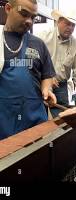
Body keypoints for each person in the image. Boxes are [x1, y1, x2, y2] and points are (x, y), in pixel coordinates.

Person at [0, 0, 56, 140]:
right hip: (4, 121)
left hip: (34, 120)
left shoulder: (38, 44)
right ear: (8, 8)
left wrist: (46, 89)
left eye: (33, 17)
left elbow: (47, 75)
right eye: (24, 14)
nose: (29, 21)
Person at [37, 9, 76, 117]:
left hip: (61, 86)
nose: (70, 28)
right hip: (39, 84)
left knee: (63, 122)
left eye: (73, 25)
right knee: (38, 119)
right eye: (67, 24)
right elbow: (33, 63)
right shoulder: (42, 38)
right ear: (58, 22)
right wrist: (47, 78)